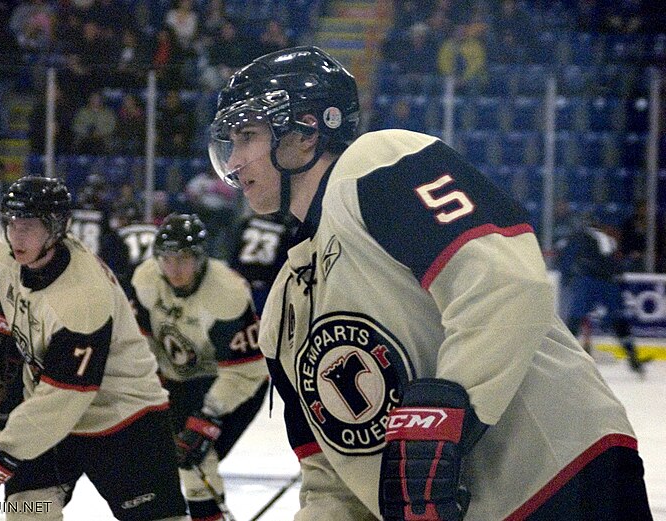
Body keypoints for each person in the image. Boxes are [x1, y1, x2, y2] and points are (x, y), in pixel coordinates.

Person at [207, 46, 653, 520]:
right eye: (230, 142)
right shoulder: (282, 310)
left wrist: (441, 422)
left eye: (247, 136)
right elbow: (331, 482)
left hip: (560, 477)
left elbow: (505, 282)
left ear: (305, 132)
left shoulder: (377, 163)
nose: (233, 161)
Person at [0, 175, 188, 521]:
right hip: (48, 414)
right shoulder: (5, 253)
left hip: (123, 416)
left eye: (28, 225)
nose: (15, 235)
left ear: (56, 229)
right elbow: (17, 298)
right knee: (27, 512)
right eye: (11, 223)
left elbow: (66, 395)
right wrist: (2, 324)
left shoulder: (83, 297)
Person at [130, 213, 268, 521]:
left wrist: (207, 418)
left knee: (196, 460)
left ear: (201, 258)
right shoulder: (146, 280)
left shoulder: (227, 293)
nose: (175, 268)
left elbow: (247, 371)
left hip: (236, 384)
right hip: (179, 382)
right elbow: (142, 341)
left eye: (185, 258)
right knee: (163, 464)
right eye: (167, 258)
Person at [557, 213, 648, 373]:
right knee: (618, 320)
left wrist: (567, 278)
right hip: (607, 282)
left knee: (575, 320)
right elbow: (613, 261)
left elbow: (565, 257)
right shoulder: (606, 238)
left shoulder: (578, 236)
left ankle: (561, 358)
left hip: (586, 281)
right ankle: (633, 358)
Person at [227, 210, 294, 316]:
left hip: (240, 279)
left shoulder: (247, 222)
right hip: (264, 285)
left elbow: (233, 251)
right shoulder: (286, 228)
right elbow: (284, 261)